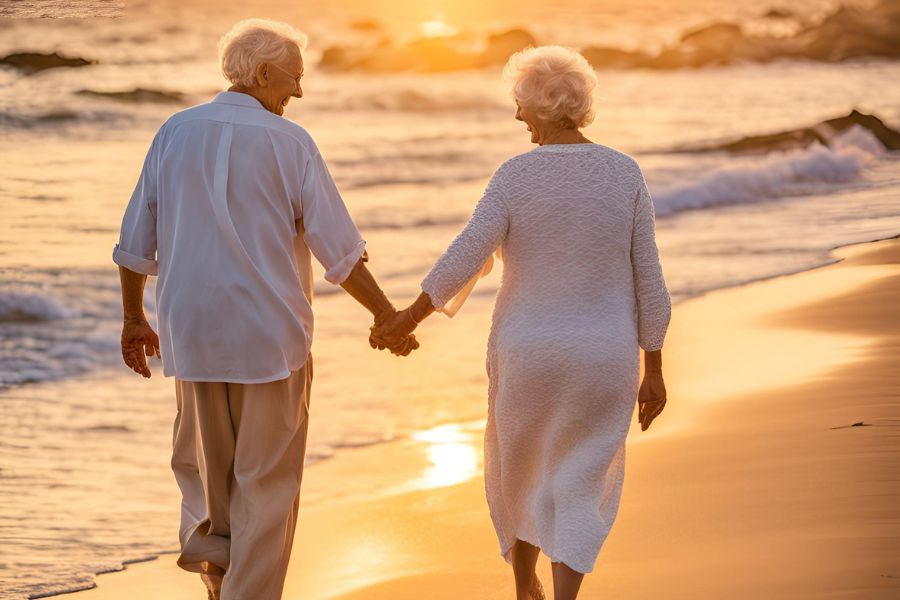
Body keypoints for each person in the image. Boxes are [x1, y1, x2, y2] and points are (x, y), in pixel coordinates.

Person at [113, 18, 416, 600]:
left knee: (208, 481)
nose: (298, 93)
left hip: (192, 332)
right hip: (271, 339)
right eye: (294, 79)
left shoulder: (174, 131)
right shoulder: (290, 142)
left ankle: (216, 580)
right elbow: (341, 251)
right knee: (267, 484)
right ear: (264, 72)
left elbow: (134, 242)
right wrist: (385, 314)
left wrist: (133, 318)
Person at [371, 45, 672, 600]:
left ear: (541, 108)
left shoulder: (514, 176)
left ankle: (520, 589)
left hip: (527, 354)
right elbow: (649, 280)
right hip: (604, 358)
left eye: (520, 105)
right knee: (580, 485)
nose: (516, 116)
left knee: (519, 472)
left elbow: (466, 252)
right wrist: (653, 367)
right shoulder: (624, 173)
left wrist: (407, 318)